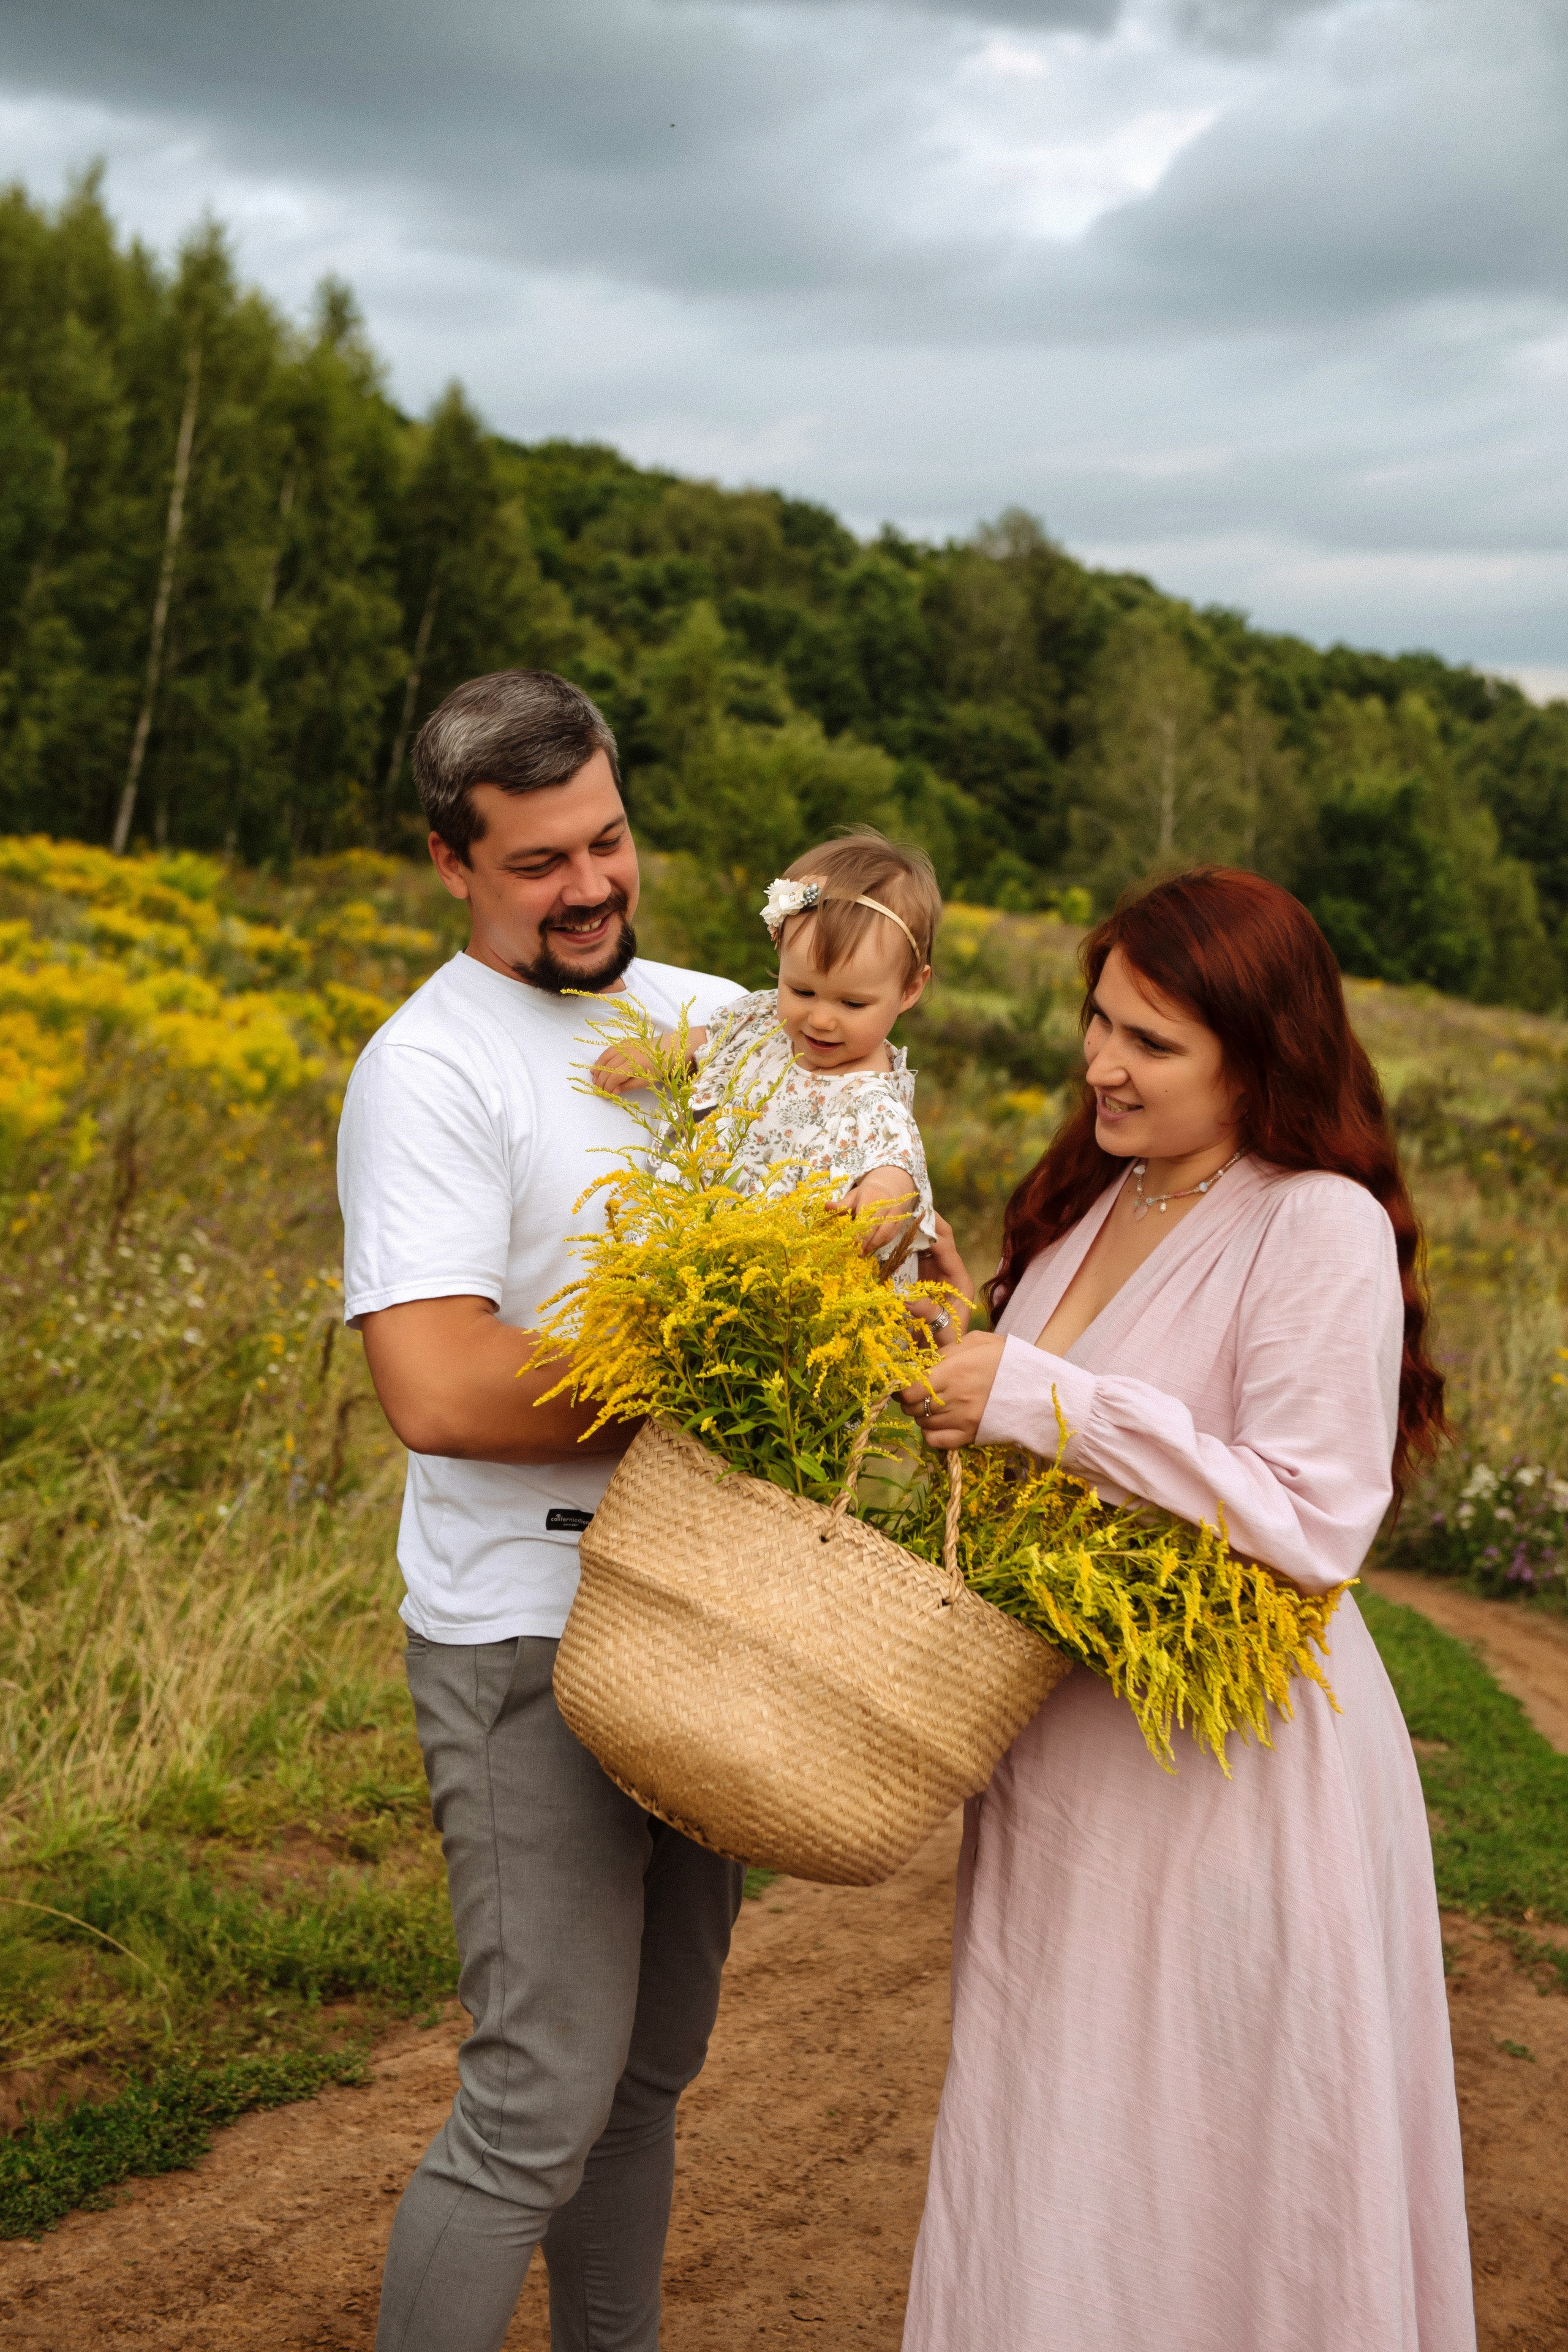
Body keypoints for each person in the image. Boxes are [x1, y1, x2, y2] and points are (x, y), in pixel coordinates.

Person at [897, 867, 1476, 2352]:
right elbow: (1057, 1431)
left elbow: (1307, 1513)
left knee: (1206, 2151)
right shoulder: (1094, 1198)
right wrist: (961, 1343)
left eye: (1147, 1040)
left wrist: (1037, 1394)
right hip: (1067, 1753)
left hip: (1226, 1767)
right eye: (1095, 1020)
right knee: (1059, 2129)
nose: (1099, 1061)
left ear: (1254, 1047)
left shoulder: (1314, 1221)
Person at [337, 670, 748, 2352]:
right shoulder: (427, 1072)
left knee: (647, 2081)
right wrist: (726, 1366)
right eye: (539, 863)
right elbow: (439, 1386)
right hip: (530, 1632)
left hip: (721, 1616)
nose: (592, 885)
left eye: (610, 839)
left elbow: (897, 1241)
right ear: (453, 862)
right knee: (538, 2100)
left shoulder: (732, 1024)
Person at [594, 832, 943, 1283]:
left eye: (852, 1005)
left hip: (781, 1289)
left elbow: (897, 1170)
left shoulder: (873, 1101)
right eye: (801, 990)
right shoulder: (764, 1022)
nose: (820, 1019)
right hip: (697, 1244)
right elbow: (712, 1040)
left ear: (910, 990)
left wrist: (878, 1201)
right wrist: (660, 1052)